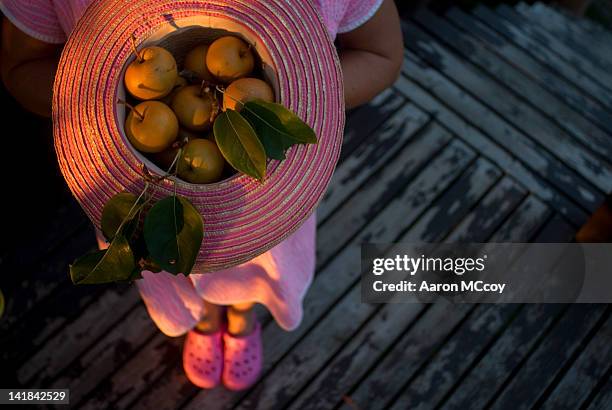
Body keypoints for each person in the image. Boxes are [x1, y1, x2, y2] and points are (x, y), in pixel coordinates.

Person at [0, 0, 403, 390]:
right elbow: (21, 67)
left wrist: (296, 101)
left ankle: (242, 317)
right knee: (176, 261)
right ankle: (206, 321)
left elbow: (382, 55)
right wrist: (96, 97)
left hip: (266, 195)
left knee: (255, 270)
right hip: (148, 196)